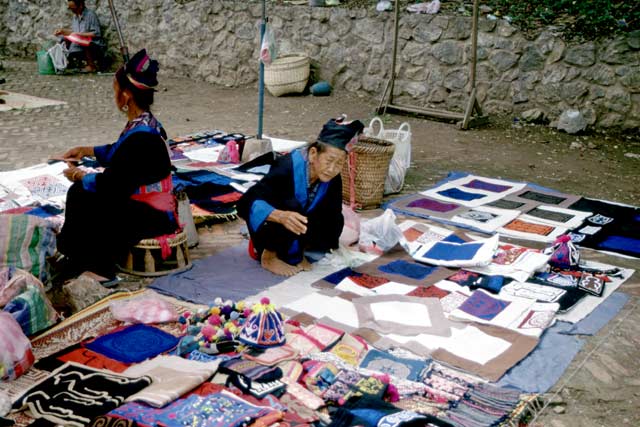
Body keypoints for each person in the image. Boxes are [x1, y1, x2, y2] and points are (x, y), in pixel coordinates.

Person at [56, 49, 177, 280]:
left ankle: (97, 267)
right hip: (149, 209)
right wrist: (86, 150)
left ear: (126, 95)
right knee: (85, 193)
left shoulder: (143, 137)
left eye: (116, 89)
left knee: (83, 196)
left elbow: (111, 185)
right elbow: (118, 151)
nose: (114, 94)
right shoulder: (144, 124)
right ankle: (76, 256)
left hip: (154, 217)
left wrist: (79, 176)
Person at [237, 117, 364, 276]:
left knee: (333, 218)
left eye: (339, 164)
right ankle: (268, 256)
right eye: (329, 161)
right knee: (291, 206)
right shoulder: (285, 167)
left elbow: (332, 216)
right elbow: (246, 203)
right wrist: (280, 216)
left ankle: (299, 252)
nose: (332, 169)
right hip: (270, 229)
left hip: (297, 231)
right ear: (313, 154)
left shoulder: (333, 179)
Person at [54, 0, 106, 72]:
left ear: (80, 6)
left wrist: (75, 34)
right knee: (64, 39)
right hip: (79, 46)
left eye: (73, 9)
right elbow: (75, 33)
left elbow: (96, 33)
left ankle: (91, 66)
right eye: (70, 9)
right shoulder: (75, 16)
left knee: (84, 41)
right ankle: (68, 63)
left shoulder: (91, 15)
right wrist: (63, 32)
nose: (72, 11)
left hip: (94, 46)